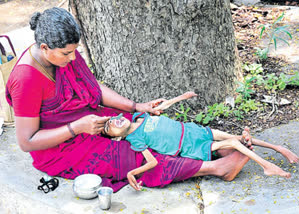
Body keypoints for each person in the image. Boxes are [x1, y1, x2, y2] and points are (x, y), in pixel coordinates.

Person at [5, 7, 259, 192]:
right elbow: (27, 142)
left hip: (89, 122)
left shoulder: (63, 54)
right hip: (61, 148)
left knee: (148, 127)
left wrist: (135, 106)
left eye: (75, 51)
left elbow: (94, 88)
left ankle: (211, 149)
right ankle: (217, 168)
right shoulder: (26, 79)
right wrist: (76, 128)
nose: (73, 59)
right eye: (66, 54)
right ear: (45, 48)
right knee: (132, 155)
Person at [104, 102, 298, 190]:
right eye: (108, 127)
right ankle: (267, 166)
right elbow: (152, 161)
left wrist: (181, 98)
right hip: (189, 146)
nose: (113, 121)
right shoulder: (134, 140)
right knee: (232, 142)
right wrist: (132, 173)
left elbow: (162, 108)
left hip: (191, 130)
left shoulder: (140, 116)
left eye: (112, 119)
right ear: (115, 139)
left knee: (237, 137)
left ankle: (278, 148)